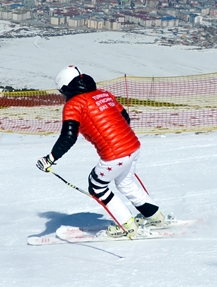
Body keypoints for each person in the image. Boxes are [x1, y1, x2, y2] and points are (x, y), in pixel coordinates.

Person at [35, 65, 171, 238]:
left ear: (65, 87)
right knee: (126, 183)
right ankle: (155, 217)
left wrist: (50, 158)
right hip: (133, 146)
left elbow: (68, 137)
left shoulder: (73, 105)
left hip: (115, 155)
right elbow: (125, 118)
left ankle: (127, 226)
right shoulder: (104, 94)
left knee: (97, 186)